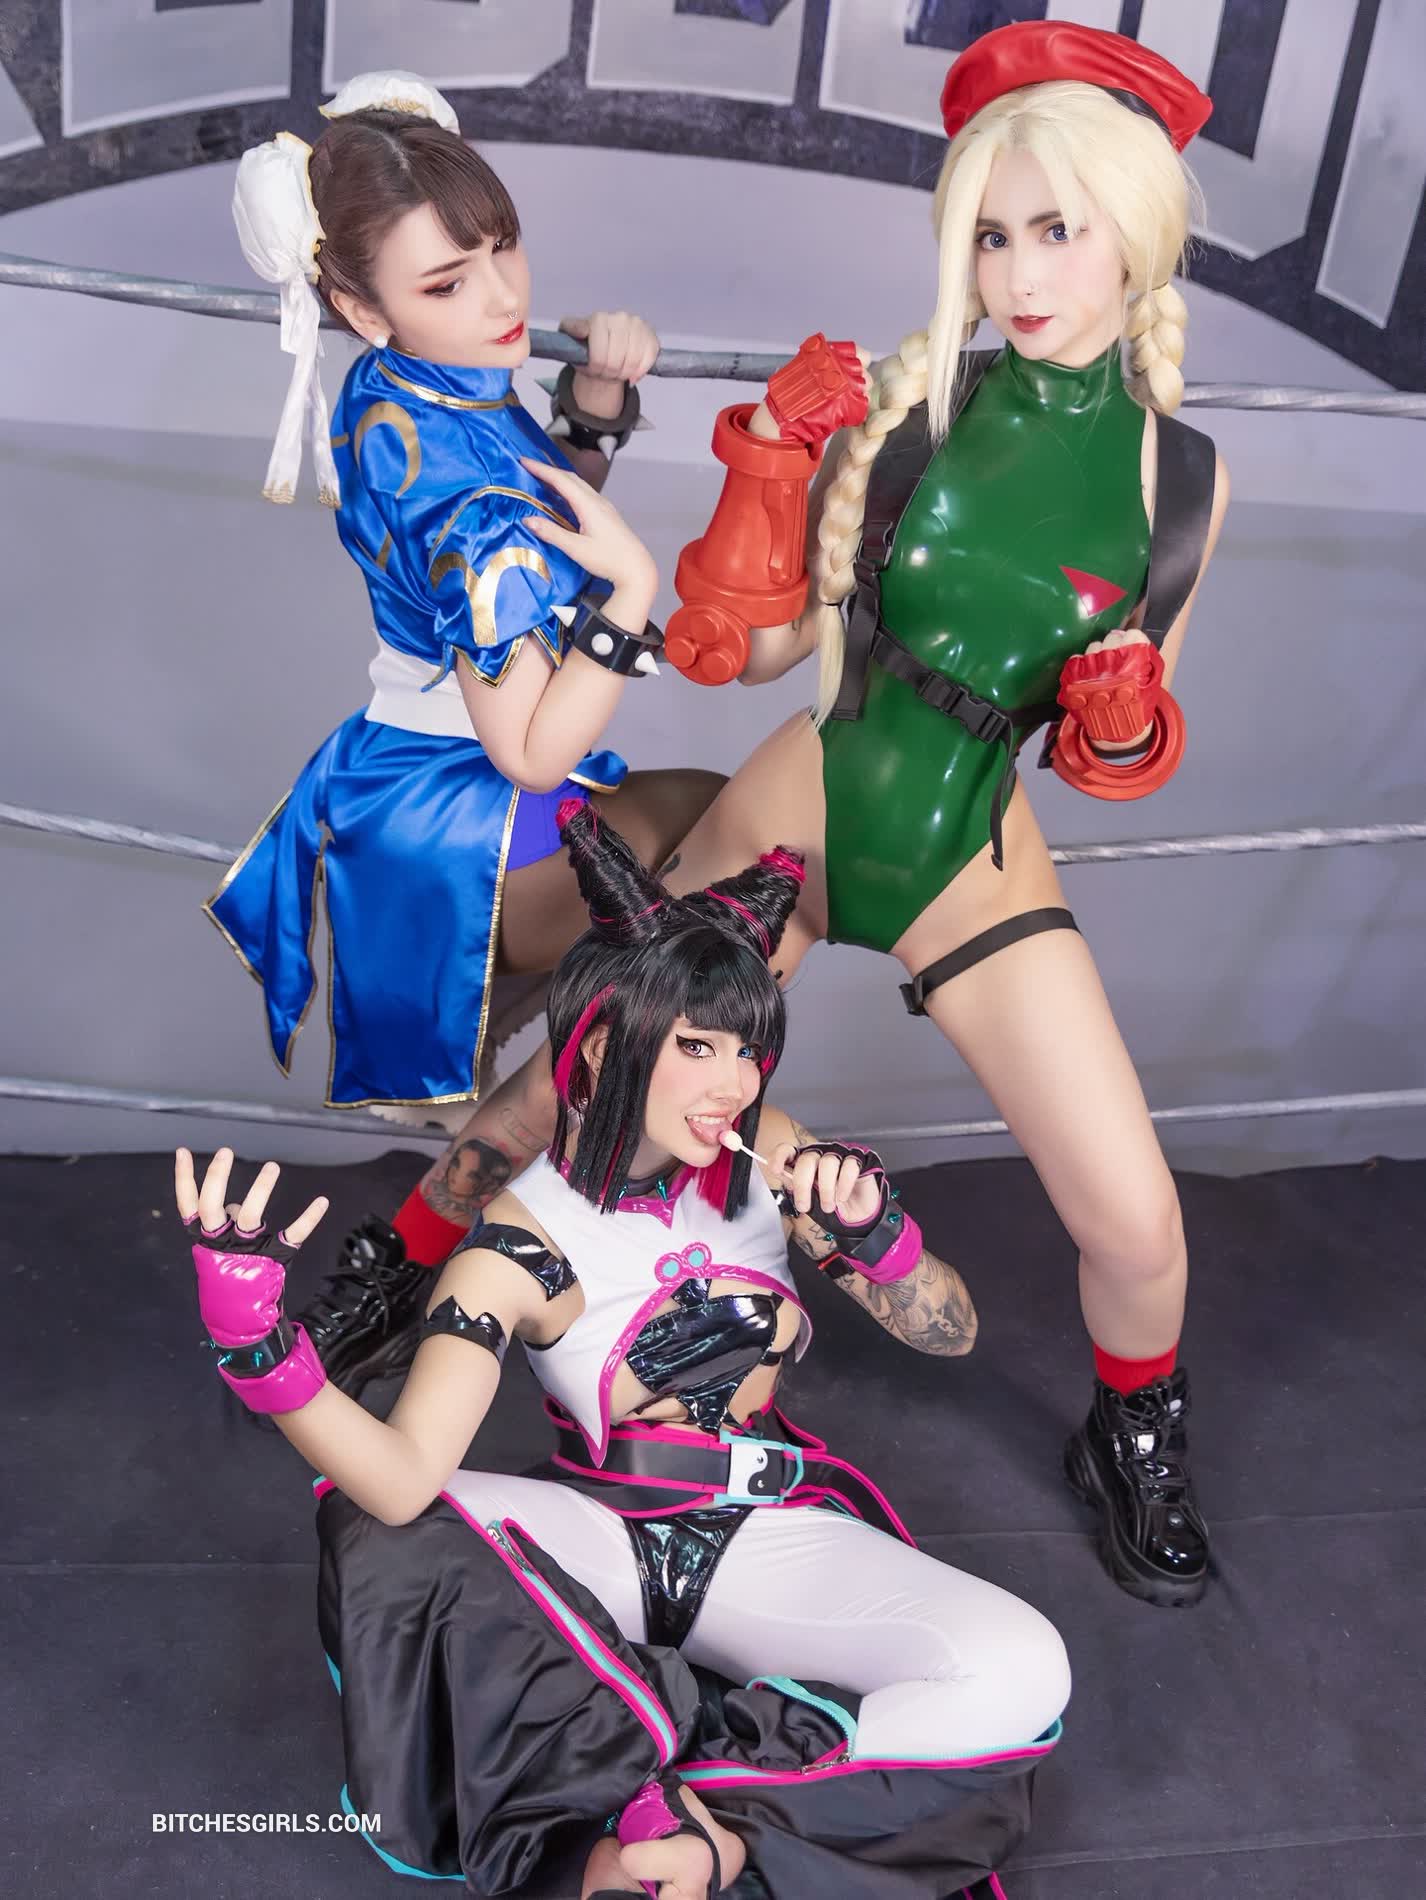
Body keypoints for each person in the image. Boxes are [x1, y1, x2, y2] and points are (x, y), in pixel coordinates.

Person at [176, 804, 1068, 1898]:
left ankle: (709, 1821)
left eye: (748, 1049)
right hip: (600, 1539)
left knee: (1022, 1666)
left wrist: (880, 1239)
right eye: (698, 1046)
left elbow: (951, 1327)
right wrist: (260, 1348)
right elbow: (404, 1478)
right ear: (604, 1044)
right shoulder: (520, 1242)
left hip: (767, 1535)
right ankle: (662, 1803)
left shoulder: (774, 1157)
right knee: (386, 1536)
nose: (734, 1083)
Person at [657, 22, 1229, 1608]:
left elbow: (1117, 743)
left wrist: (1118, 720)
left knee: (1136, 1223)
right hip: (801, 810)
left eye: (1055, 229)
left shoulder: (1182, 480)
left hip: (971, 859)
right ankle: (416, 1273)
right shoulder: (911, 408)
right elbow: (745, 651)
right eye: (989, 234)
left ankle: (1132, 1435)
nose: (1017, 274)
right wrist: (766, 466)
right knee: (592, 1072)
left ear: (1136, 232)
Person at [206, 70, 723, 1387]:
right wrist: (631, 601)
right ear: (357, 305)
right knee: (728, 869)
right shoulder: (444, 477)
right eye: (448, 280)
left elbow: (530, 522)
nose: (501, 299)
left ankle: (407, 1262)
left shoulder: (410, 383)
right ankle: (529, 1247)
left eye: (503, 249)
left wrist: (589, 413)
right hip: (477, 816)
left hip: (407, 781)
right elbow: (531, 745)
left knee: (646, 979)